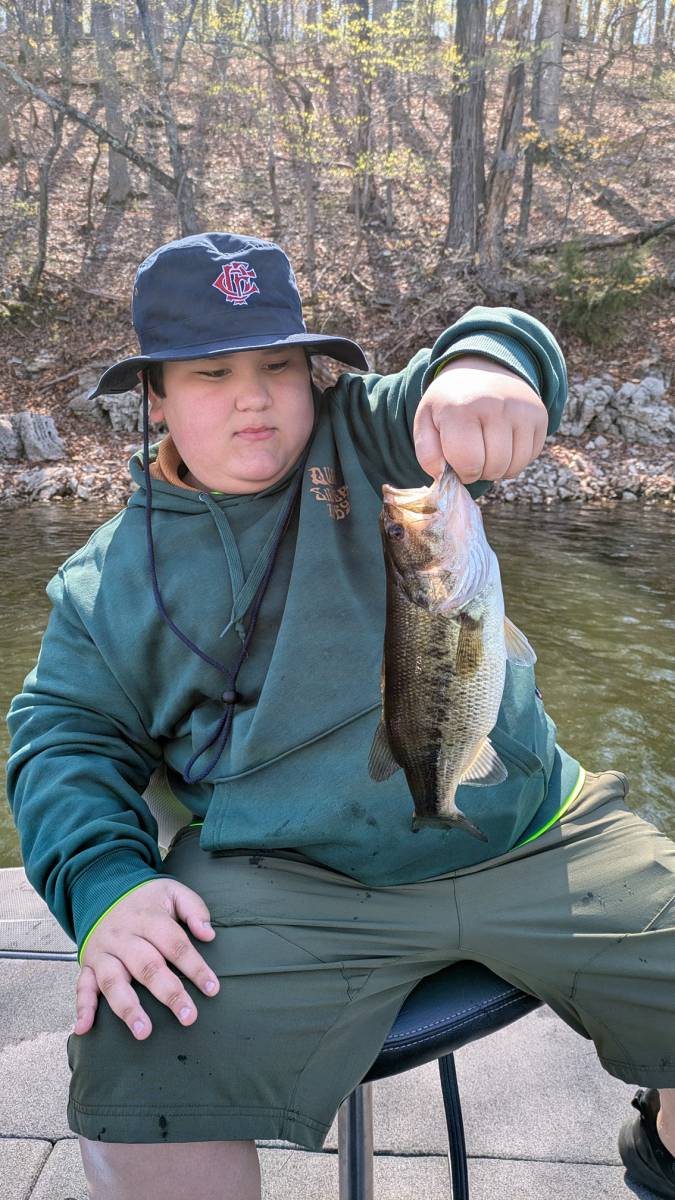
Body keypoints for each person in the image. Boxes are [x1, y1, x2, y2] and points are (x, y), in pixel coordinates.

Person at [6, 232, 675, 1200]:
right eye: (212, 374)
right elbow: (63, 742)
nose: (253, 397)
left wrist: (489, 365)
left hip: (535, 832)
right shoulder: (103, 582)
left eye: (279, 367)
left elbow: (478, 355)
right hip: (280, 871)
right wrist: (107, 885)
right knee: (137, 1058)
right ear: (154, 396)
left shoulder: (374, 438)